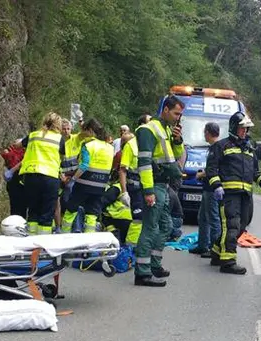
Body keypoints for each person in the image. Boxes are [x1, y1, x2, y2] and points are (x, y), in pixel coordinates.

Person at [205, 112, 261, 275]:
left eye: (246, 129)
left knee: (241, 226)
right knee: (231, 225)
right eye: (242, 128)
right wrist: (217, 185)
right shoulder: (221, 146)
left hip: (245, 194)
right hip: (228, 194)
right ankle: (228, 262)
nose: (244, 132)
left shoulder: (249, 149)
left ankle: (216, 252)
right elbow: (211, 169)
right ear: (234, 127)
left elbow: (255, 171)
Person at [133, 96, 185, 287]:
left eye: (180, 114)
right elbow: (144, 163)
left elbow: (175, 156)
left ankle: (154, 265)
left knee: (166, 226)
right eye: (176, 113)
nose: (178, 118)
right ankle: (142, 273)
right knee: (151, 227)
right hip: (153, 184)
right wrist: (148, 191)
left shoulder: (167, 130)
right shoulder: (148, 130)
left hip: (163, 185)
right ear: (165, 110)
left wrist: (177, 140)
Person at [14, 112, 65, 235]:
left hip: (32, 176)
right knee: (47, 213)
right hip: (50, 178)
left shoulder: (33, 135)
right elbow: (62, 155)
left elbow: (18, 145)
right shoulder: (59, 139)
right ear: (58, 125)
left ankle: (31, 242)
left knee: (33, 211)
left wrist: (20, 141)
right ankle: (42, 247)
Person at [60, 119, 114, 233]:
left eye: (84, 131)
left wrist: (73, 179)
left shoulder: (88, 145)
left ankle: (64, 236)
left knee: (71, 211)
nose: (83, 134)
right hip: (100, 186)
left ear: (90, 130)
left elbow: (84, 165)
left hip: (84, 185)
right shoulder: (110, 147)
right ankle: (89, 246)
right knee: (92, 215)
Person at [117, 115, 152, 246]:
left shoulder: (149, 144)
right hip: (135, 188)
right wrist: (124, 192)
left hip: (147, 188)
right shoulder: (131, 145)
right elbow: (122, 170)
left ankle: (139, 247)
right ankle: (130, 248)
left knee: (146, 220)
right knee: (138, 218)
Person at [189, 122, 222, 257]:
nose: (204, 134)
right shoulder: (214, 147)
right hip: (207, 187)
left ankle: (214, 249)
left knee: (213, 218)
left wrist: (201, 174)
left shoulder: (217, 148)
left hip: (212, 189)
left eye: (204, 132)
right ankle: (203, 245)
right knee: (202, 217)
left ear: (208, 132)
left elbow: (213, 169)